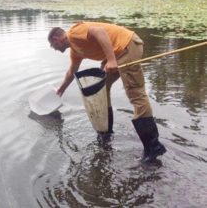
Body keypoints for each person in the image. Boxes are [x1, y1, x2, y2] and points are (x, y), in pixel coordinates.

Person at [48, 22, 166, 162]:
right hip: (118, 52)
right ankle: (106, 134)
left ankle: (153, 148)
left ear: (56, 39)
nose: (54, 49)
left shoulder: (73, 33)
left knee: (136, 93)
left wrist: (110, 60)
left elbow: (100, 32)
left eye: (52, 45)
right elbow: (72, 71)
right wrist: (61, 90)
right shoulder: (75, 50)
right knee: (102, 88)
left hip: (127, 46)